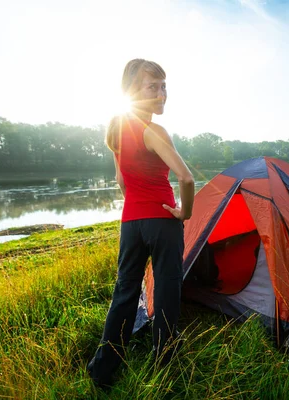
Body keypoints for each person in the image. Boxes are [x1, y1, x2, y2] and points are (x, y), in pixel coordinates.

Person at [87, 59, 195, 388]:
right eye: (153, 87)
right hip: (162, 221)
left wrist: (135, 202)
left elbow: (121, 180)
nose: (162, 94)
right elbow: (187, 179)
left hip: (130, 223)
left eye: (164, 87)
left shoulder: (117, 132)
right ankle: (164, 363)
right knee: (165, 291)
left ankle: (103, 368)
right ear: (133, 91)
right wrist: (184, 213)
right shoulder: (155, 131)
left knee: (125, 293)